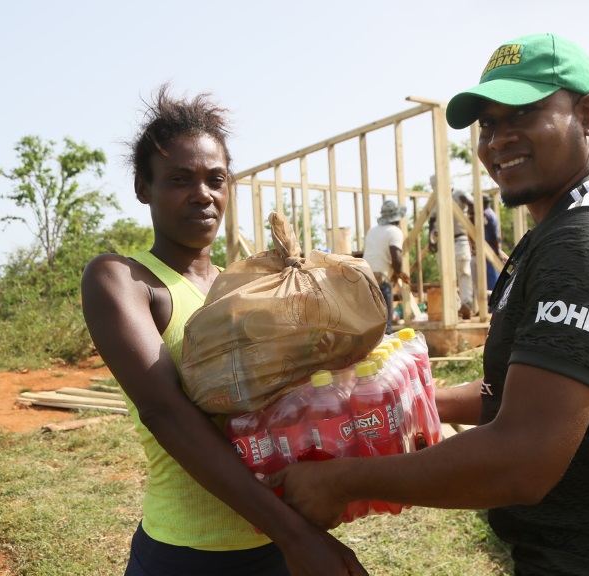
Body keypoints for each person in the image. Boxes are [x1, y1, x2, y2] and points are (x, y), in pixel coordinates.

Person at [271, 33, 589, 575]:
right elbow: (517, 393)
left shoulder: (588, 243)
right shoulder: (561, 227)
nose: (498, 140)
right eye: (488, 125)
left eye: (524, 114)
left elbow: (522, 460)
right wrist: (401, 400)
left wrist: (340, 483)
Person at [81, 85, 366, 576]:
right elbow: (165, 412)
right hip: (190, 553)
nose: (203, 194)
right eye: (179, 179)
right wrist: (295, 535)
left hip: (277, 539)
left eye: (216, 179)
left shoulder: (244, 289)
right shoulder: (122, 280)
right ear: (143, 188)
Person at [427, 181, 476, 319]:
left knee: (464, 272)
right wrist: (431, 239)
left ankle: (467, 305)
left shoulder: (459, 194)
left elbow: (472, 204)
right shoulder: (435, 199)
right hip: (443, 243)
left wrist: (474, 223)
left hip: (460, 240)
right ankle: (454, 307)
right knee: (446, 276)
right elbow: (432, 221)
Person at [362, 200, 411, 334]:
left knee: (370, 324)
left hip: (363, 278)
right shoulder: (395, 232)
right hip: (380, 280)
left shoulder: (372, 231)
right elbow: (396, 255)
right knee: (385, 326)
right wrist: (399, 272)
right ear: (397, 218)